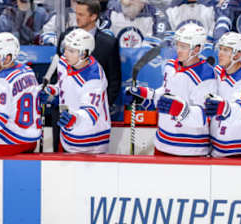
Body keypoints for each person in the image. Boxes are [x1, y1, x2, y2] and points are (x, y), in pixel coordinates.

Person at [125, 23, 216, 156]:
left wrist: (181, 110)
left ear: (197, 49)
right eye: (177, 45)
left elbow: (205, 116)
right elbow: (166, 92)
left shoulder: (206, 75)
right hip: (162, 143)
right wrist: (145, 94)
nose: (178, 50)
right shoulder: (171, 65)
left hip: (190, 149)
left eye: (183, 47)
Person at [52, 0, 121, 152]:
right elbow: (61, 77)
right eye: (76, 13)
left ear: (93, 16)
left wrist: (97, 107)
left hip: (91, 126)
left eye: (81, 14)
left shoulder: (108, 43)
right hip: (65, 119)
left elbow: (114, 81)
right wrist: (54, 93)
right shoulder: (67, 37)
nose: (77, 18)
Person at [40, 28, 111, 153]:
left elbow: (91, 113)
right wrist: (53, 91)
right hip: (68, 134)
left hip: (91, 140)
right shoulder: (64, 62)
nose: (65, 53)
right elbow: (64, 86)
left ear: (83, 54)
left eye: (71, 51)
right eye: (66, 48)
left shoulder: (94, 78)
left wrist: (74, 118)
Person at [205, 32, 241, 157]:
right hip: (217, 149)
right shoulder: (219, 71)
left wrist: (225, 108)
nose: (220, 53)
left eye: (226, 50)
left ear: (237, 54)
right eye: (220, 49)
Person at [101, 0, 171, 48]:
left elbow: (161, 44)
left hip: (144, 63)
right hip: (117, 61)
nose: (127, 3)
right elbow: (103, 40)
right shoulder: (111, 12)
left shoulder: (157, 16)